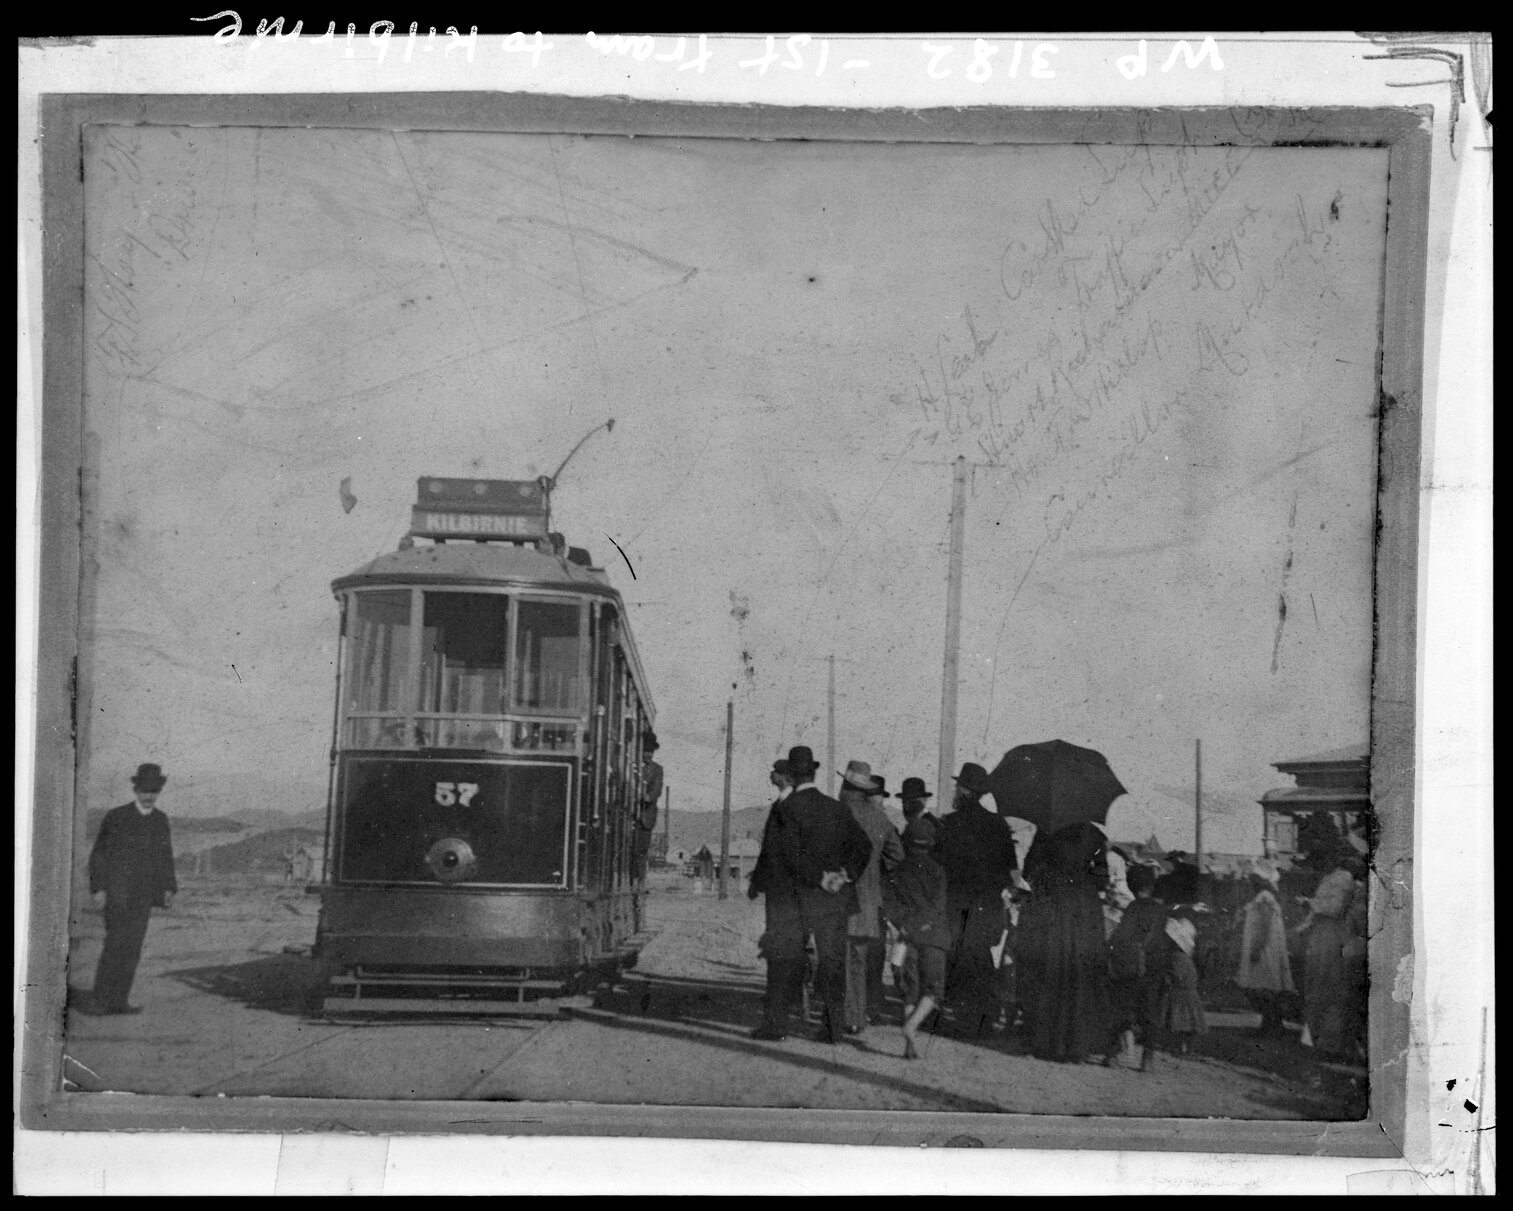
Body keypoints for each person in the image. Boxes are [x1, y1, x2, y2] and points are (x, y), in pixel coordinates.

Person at [750, 746, 873, 1043]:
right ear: (814, 772)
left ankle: (776, 1026)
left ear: (791, 774)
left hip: (795, 899)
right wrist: (843, 875)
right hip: (833, 901)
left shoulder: (785, 809)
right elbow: (864, 846)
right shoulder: (836, 808)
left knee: (784, 961)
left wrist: (819, 878)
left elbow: (787, 855)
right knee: (832, 963)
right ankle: (832, 1029)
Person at [82, 763, 178, 1015]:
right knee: (115, 945)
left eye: (154, 791)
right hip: (117, 894)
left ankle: (120, 1001)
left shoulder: (160, 820)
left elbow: (165, 856)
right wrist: (99, 888)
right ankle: (101, 1001)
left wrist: (168, 888)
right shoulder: (117, 817)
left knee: (133, 949)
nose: (150, 796)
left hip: (143, 897)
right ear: (136, 790)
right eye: (145, 791)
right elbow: (99, 855)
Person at [932, 762, 1019, 1033]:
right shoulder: (998, 825)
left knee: (958, 957)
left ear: (966, 791)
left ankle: (960, 1014)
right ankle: (983, 1016)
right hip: (987, 905)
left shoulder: (950, 824)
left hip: (957, 904)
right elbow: (1009, 873)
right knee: (980, 957)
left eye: (958, 786)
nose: (955, 790)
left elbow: (939, 867)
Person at [1017, 820, 1111, 1063]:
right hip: (1084, 908)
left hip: (1053, 903)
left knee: (1050, 968)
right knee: (1080, 972)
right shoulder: (1095, 836)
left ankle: (1047, 1043)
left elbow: (1028, 871)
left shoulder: (1047, 830)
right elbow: (1102, 880)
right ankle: (1077, 1045)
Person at [837, 761, 904, 1035]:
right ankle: (857, 1015)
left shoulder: (837, 813)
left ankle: (848, 1016)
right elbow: (897, 857)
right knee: (859, 959)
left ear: (847, 787)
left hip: (838, 899)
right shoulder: (880, 819)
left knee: (840, 960)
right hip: (869, 902)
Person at [882, 817, 951, 1060]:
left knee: (909, 988)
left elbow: (889, 905)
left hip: (906, 936)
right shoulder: (938, 871)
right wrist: (924, 923)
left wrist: (906, 924)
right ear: (931, 843)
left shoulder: (896, 872)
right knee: (933, 989)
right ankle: (912, 1026)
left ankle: (909, 1046)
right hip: (933, 935)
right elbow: (939, 905)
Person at [1293, 848, 1365, 1057]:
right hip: (1323, 934)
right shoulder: (1330, 879)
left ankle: (1329, 1043)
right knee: (1316, 986)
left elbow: (1334, 908)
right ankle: (1314, 1040)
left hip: (1333, 935)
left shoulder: (1342, 878)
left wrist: (1310, 904)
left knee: (1329, 987)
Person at [749, 758, 801, 1038]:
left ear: (785, 777)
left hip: (783, 897)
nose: (771, 773)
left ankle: (776, 1022)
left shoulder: (788, 807)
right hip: (789, 896)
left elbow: (772, 850)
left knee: (778, 955)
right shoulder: (782, 804)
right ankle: (780, 1015)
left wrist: (760, 881)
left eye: (776, 771)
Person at [1102, 862, 1168, 1067]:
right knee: (1150, 1013)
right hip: (1154, 965)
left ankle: (1113, 1054)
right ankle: (1147, 1058)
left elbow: (1122, 936)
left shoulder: (1133, 907)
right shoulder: (1161, 909)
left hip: (1132, 967)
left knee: (1123, 1009)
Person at [1234, 859, 1296, 1036]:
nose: (1251, 880)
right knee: (1265, 985)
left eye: (1254, 877)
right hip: (1264, 944)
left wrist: (1257, 947)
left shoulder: (1264, 897)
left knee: (1265, 985)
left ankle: (1272, 1024)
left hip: (1264, 946)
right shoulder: (1262, 897)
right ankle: (1270, 1023)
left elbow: (1264, 925)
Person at [1146, 915, 1208, 1068]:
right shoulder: (1186, 958)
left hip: (1178, 994)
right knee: (1189, 1025)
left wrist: (1165, 978)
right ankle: (1184, 1048)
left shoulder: (1175, 957)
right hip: (1190, 994)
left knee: (1176, 1023)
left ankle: (1179, 1047)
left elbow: (1176, 976)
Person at [629, 733, 664, 931]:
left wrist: (646, 796)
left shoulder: (657, 770)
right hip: (629, 816)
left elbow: (655, 792)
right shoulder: (631, 767)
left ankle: (639, 884)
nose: (647, 755)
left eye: (650, 752)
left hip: (645, 819)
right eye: (645, 751)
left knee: (640, 852)